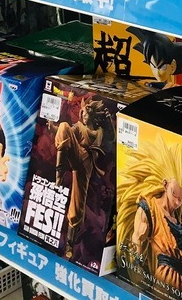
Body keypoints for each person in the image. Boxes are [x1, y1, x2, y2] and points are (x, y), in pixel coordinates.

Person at [117, 137, 182, 297]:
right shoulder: (149, 208)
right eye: (174, 194)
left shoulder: (176, 219)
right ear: (165, 185)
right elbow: (137, 239)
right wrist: (137, 275)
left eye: (181, 199)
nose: (176, 202)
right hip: (166, 279)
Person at [55, 98, 111, 259]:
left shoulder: (100, 132)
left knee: (77, 205)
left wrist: (108, 120)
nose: (84, 116)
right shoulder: (79, 127)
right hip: (76, 153)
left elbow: (112, 138)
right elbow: (68, 132)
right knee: (63, 127)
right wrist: (53, 128)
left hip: (87, 163)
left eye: (87, 114)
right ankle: (59, 173)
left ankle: (70, 244)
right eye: (83, 113)